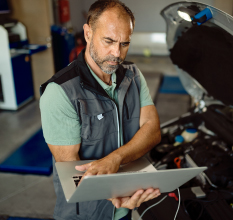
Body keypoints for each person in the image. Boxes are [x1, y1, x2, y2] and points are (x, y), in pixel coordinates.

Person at [39, 0, 161, 219]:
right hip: (85, 212)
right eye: (109, 41)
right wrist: (117, 191)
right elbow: (71, 170)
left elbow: (152, 130)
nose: (117, 53)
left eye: (125, 43)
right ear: (88, 33)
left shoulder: (133, 76)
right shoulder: (60, 92)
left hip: (125, 206)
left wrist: (116, 159)